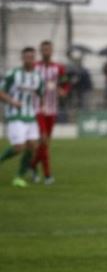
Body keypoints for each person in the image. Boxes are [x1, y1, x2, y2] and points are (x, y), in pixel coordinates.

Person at [0, 47, 44, 188]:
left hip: (30, 116)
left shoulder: (37, 77)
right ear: (22, 58)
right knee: (19, 147)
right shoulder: (13, 74)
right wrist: (12, 102)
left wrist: (42, 106)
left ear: (34, 59)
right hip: (15, 115)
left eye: (31, 57)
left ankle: (19, 177)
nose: (29, 60)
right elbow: (1, 92)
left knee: (32, 146)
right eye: (26, 57)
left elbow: (40, 93)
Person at [30, 40, 70, 185]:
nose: (46, 52)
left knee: (45, 144)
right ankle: (47, 175)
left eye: (49, 49)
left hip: (52, 109)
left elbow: (66, 84)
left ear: (52, 51)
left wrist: (63, 91)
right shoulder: (34, 67)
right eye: (44, 49)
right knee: (44, 139)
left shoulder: (59, 68)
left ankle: (32, 166)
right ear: (41, 51)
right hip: (37, 108)